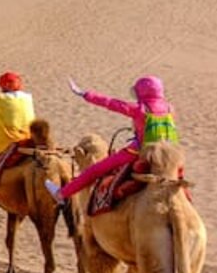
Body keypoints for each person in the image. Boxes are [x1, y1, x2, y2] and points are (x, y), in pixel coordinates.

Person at [46, 75, 179, 203]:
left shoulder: (140, 109)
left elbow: (110, 103)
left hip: (139, 152)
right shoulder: (170, 108)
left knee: (96, 170)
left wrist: (85, 94)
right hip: (168, 154)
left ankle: (61, 194)